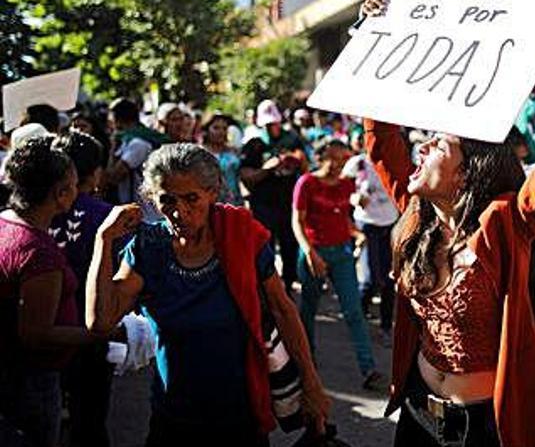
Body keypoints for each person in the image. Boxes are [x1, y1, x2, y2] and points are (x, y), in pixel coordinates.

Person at [362, 0, 535, 447]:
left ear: (466, 173)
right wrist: (376, 35)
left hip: (487, 426)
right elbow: (381, 142)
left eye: (438, 142)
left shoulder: (504, 224)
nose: (421, 144)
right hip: (417, 413)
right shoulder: (416, 217)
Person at [86, 144, 330, 447]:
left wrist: (311, 382)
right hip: (173, 418)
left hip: (240, 420)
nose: (179, 211)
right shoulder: (147, 248)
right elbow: (100, 321)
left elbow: (283, 310)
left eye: (191, 199)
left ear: (212, 192)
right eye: (167, 200)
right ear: (152, 199)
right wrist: (103, 239)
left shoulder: (242, 236)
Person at [0, 136, 89, 447]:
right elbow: (36, 334)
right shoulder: (38, 253)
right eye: (74, 184)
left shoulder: (8, 222)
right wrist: (104, 332)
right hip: (30, 383)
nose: (78, 191)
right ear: (59, 194)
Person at [292, 138, 383, 388]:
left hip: (341, 254)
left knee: (354, 311)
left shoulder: (346, 184)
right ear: (320, 157)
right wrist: (310, 253)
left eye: (343, 160)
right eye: (333, 158)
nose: (337, 165)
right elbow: (297, 222)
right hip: (313, 252)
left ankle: (368, 368)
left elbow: (342, 218)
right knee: (308, 308)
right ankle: (306, 360)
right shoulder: (306, 183)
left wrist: (357, 233)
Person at [48, 132, 115, 447]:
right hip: (91, 332)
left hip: (45, 333)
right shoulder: (107, 218)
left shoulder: (35, 215)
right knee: (89, 420)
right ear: (96, 173)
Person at [240, 99, 307, 286]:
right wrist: (267, 169)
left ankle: (288, 284)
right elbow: (246, 176)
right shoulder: (254, 144)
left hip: (288, 203)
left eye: (274, 122)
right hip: (264, 205)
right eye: (268, 124)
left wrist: (296, 160)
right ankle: (267, 287)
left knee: (290, 247)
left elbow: (306, 167)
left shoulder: (292, 139)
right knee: (265, 247)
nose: (272, 127)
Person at [342, 130, 399, 345]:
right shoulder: (356, 164)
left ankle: (385, 327)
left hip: (390, 225)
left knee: (388, 280)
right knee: (369, 280)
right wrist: (353, 197)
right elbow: (340, 190)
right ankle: (358, 316)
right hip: (366, 225)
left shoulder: (392, 162)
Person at [103, 98, 168, 214]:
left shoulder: (138, 144)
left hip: (146, 213)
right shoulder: (132, 139)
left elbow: (113, 177)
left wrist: (112, 149)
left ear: (116, 119)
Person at [202, 113, 244, 206]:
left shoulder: (234, 151)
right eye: (216, 128)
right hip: (212, 202)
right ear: (206, 130)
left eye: (224, 128)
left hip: (235, 200)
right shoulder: (200, 153)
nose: (221, 132)